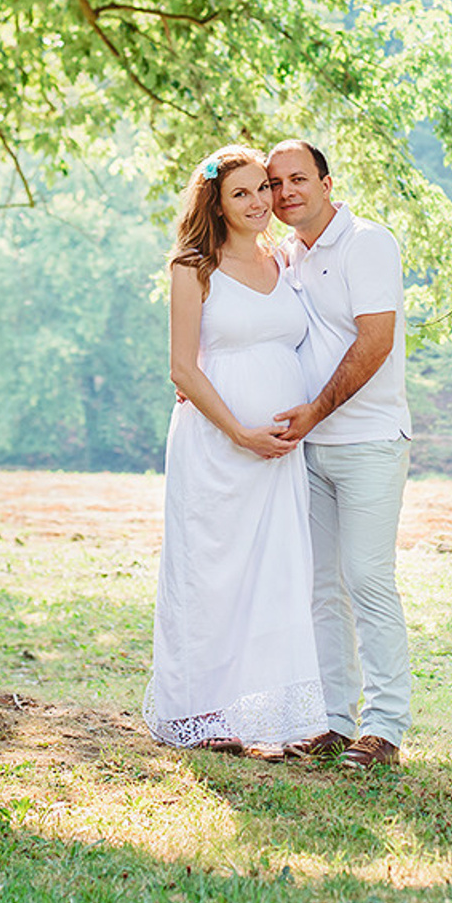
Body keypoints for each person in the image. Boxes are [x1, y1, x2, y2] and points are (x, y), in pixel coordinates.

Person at [143, 145, 328, 758]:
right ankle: (202, 714)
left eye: (263, 190)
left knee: (274, 575)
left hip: (281, 453)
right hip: (217, 446)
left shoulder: (286, 262)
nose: (258, 203)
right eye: (241, 193)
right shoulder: (193, 267)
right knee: (211, 573)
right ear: (217, 204)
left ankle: (267, 714)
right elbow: (183, 368)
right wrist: (239, 431)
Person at [267, 139, 413, 770]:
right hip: (309, 449)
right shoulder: (286, 257)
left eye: (298, 179)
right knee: (321, 587)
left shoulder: (367, 243)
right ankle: (332, 719)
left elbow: (375, 341)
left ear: (327, 184)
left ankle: (385, 728)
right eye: (274, 184)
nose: (285, 192)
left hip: (370, 441)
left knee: (368, 579)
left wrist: (315, 413)